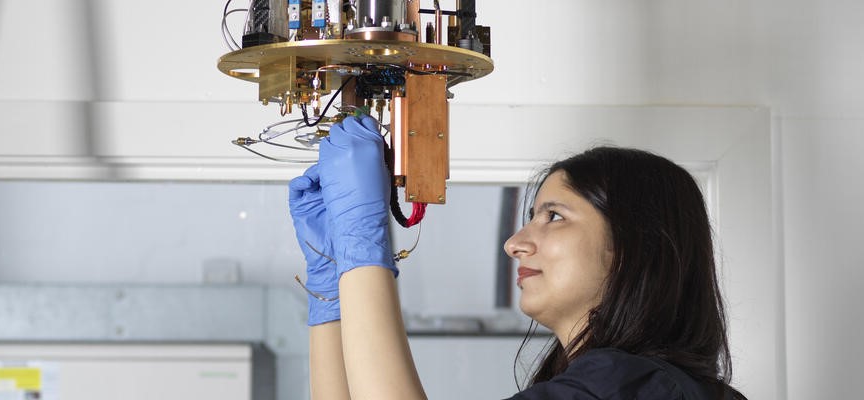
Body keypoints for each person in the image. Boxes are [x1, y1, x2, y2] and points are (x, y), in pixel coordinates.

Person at [288, 115, 747, 399]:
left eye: (554, 216)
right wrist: (332, 288)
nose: (515, 243)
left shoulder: (628, 385)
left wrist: (362, 247)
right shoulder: (623, 384)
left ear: (632, 246)